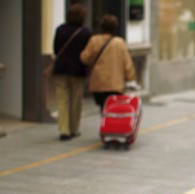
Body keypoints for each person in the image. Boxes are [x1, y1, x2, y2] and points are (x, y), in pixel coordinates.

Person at [51, 4, 92, 141]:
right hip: (78, 70)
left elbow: (56, 50)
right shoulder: (86, 32)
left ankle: (64, 130)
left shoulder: (60, 30)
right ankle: (74, 128)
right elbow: (88, 53)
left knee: (62, 100)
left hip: (61, 69)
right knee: (76, 100)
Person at [80, 14, 137, 113]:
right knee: (113, 107)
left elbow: (84, 58)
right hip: (116, 84)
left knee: (103, 106)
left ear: (102, 26)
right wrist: (131, 78)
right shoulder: (120, 43)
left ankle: (105, 122)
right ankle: (111, 124)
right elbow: (128, 64)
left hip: (98, 83)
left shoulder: (94, 40)